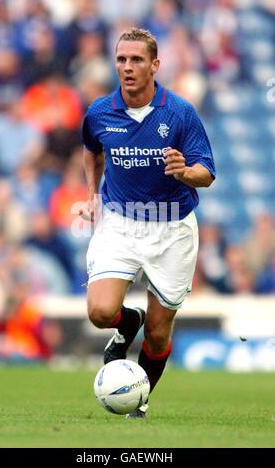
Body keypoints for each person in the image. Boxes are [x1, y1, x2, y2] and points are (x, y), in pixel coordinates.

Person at [81, 28, 215, 418]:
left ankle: (137, 399)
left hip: (172, 228)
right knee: (100, 313)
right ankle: (128, 321)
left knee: (157, 335)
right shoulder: (100, 112)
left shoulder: (179, 112)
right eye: (121, 59)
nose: (128, 67)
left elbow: (207, 172)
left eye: (137, 60)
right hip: (121, 222)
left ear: (155, 65)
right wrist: (92, 192)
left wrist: (185, 172)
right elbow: (92, 150)